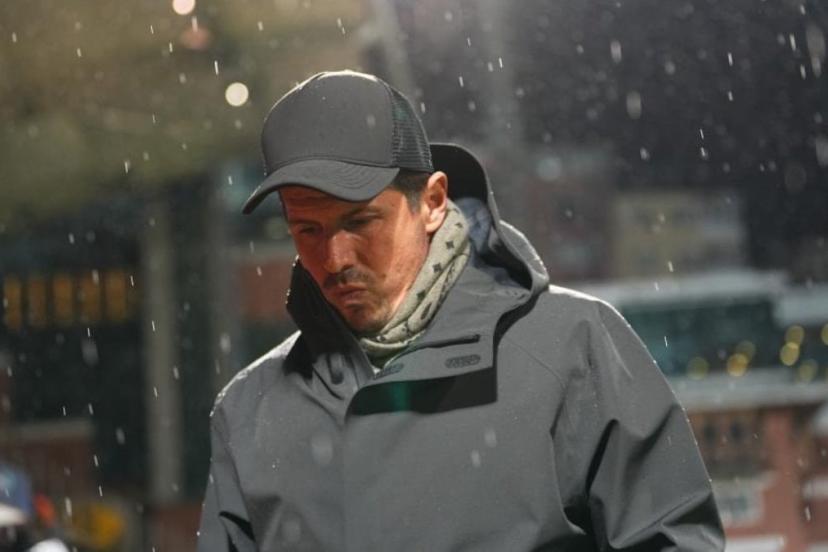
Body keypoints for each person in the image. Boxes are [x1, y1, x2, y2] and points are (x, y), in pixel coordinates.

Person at [197, 70, 724, 551]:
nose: (334, 259)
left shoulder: (574, 350)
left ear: (431, 202)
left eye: (360, 222)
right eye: (307, 229)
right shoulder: (246, 411)